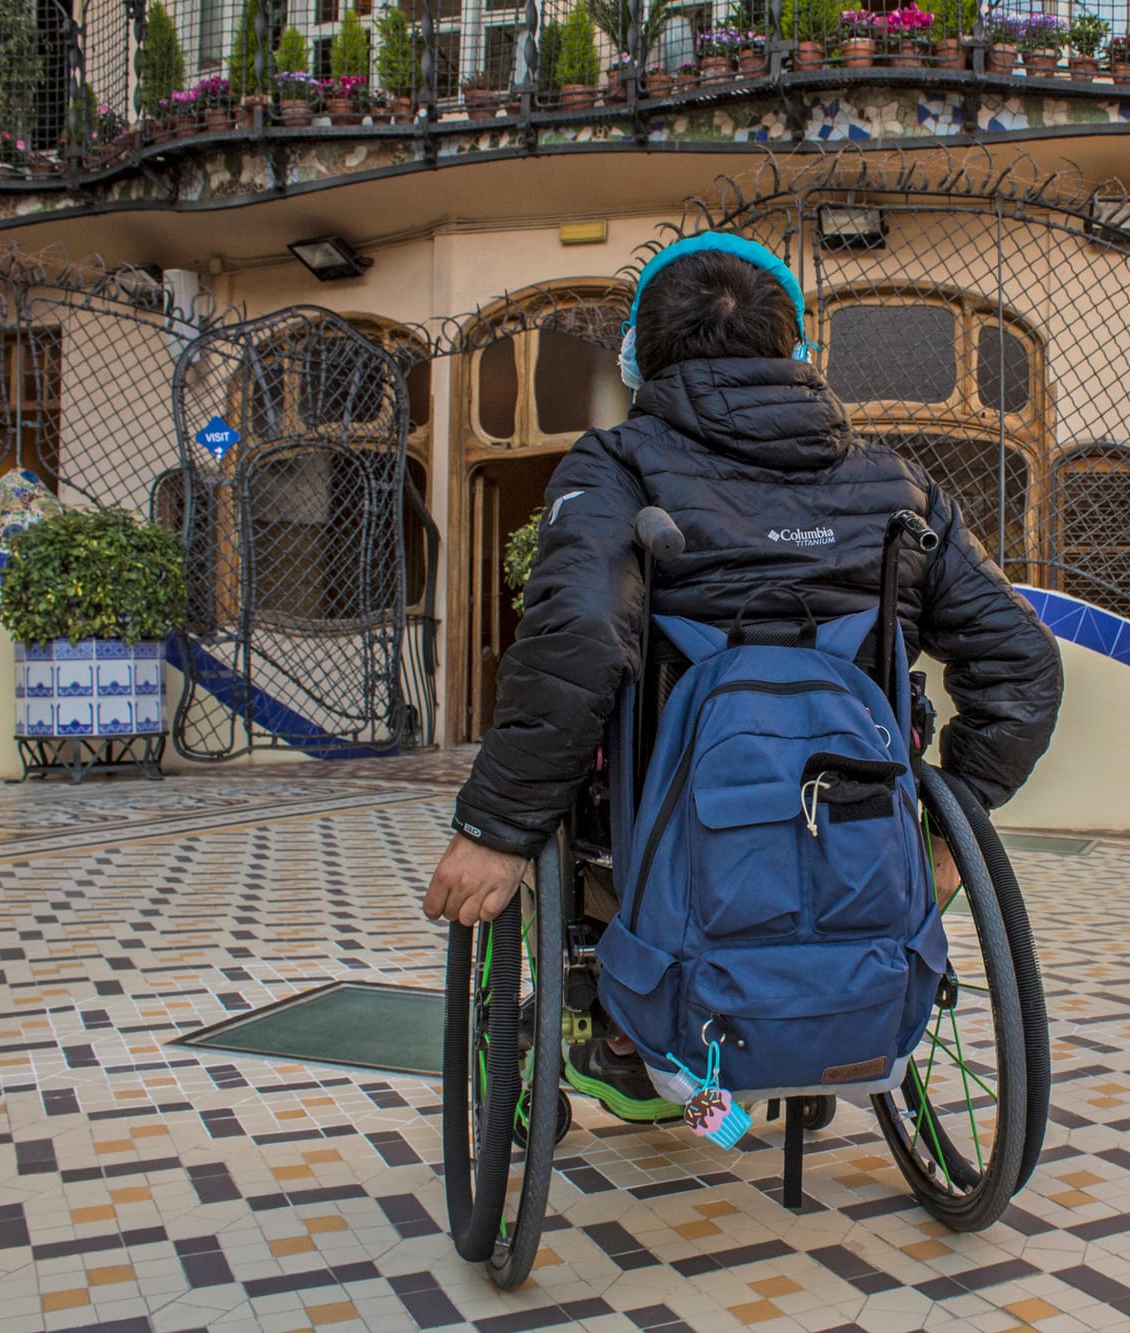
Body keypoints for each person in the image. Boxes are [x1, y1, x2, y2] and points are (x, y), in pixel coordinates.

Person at [423, 233, 1063, 1115]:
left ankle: (621, 1025)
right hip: (855, 805)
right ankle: (812, 1026)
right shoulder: (900, 489)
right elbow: (1022, 661)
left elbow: (576, 633)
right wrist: (951, 832)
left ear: (642, 356)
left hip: (655, 809)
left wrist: (496, 827)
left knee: (589, 788)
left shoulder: (618, 464)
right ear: (795, 351)